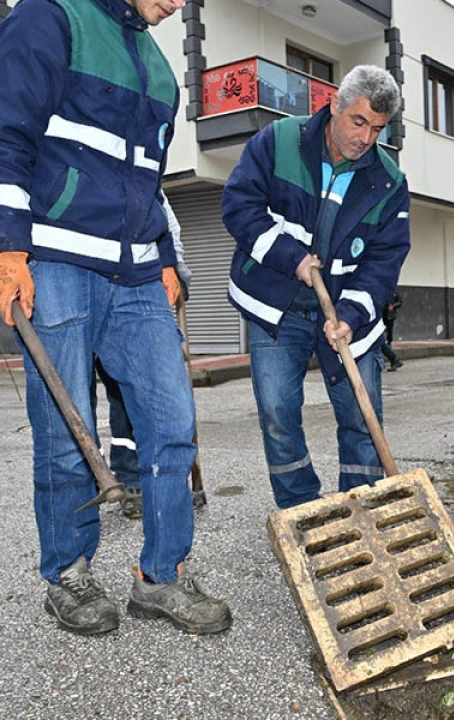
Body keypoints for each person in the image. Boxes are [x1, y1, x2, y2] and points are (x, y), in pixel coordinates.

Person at [0, 0, 231, 636]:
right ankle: (69, 573)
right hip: (56, 260)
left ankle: (161, 578)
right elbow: (6, 135)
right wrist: (8, 245)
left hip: (135, 272)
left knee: (172, 419)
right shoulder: (50, 17)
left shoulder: (160, 68)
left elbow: (147, 178)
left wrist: (162, 254)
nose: (180, 4)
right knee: (68, 428)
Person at [224, 65, 411, 509]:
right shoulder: (278, 142)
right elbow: (239, 206)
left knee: (362, 420)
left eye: (377, 129)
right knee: (277, 414)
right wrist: (291, 258)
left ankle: (362, 509)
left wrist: (350, 315)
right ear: (333, 106)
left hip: (346, 314)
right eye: (359, 122)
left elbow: (384, 261)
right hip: (278, 307)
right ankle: (303, 510)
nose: (365, 139)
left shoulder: (389, 182)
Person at [100, 197, 194, 519]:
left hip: (136, 294)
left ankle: (133, 480)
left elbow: (169, 227)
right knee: (79, 396)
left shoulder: (150, 182)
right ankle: (88, 477)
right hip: (87, 289)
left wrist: (177, 272)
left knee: (130, 394)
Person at [380, 290, 402, 371]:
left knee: (380, 341)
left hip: (388, 316)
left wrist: (393, 306)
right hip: (382, 316)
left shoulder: (393, 292)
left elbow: (400, 302)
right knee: (379, 341)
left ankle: (393, 358)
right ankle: (393, 359)